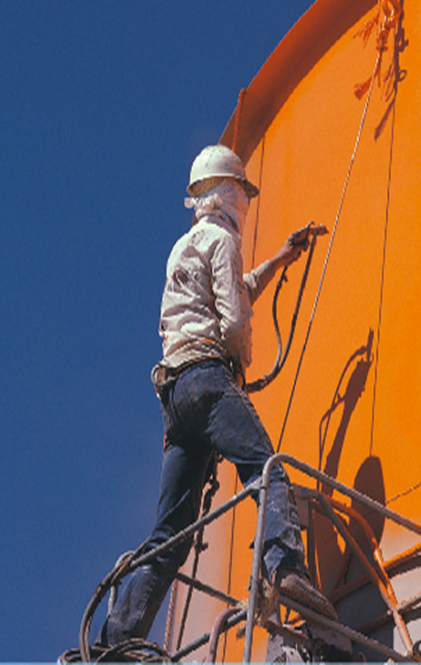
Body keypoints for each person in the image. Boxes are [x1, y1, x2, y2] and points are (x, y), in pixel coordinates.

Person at [100, 144, 335, 647]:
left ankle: (116, 642)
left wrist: (280, 259)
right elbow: (232, 318)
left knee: (171, 532)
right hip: (209, 378)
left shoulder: (183, 248)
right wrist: (240, 367)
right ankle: (283, 567)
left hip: (175, 396)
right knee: (265, 467)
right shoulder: (224, 242)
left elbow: (234, 288)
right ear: (230, 192)